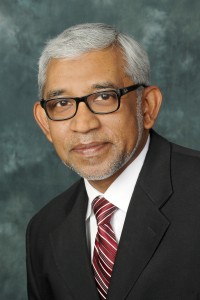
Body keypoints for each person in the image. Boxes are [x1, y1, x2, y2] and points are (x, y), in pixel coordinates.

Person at [26, 23, 200, 300]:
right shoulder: (44, 229)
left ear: (147, 107)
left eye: (105, 97)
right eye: (62, 104)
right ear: (44, 123)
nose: (83, 125)